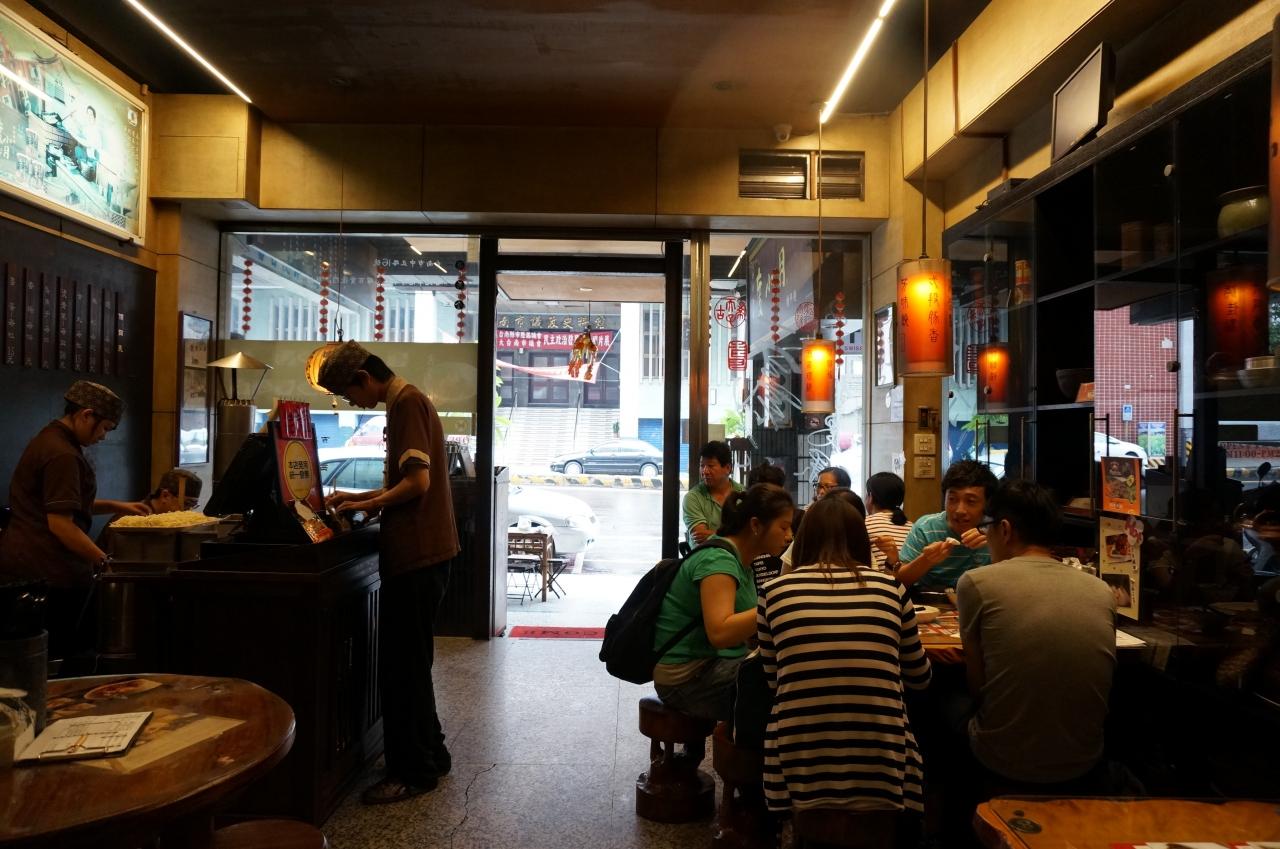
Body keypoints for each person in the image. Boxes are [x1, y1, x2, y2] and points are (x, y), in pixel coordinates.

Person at [319, 341, 460, 804]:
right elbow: (408, 482)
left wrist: (371, 501)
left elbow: (417, 482)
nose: (353, 403)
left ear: (364, 377)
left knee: (403, 669)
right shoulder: (407, 402)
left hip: (417, 555)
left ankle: (412, 772)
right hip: (425, 554)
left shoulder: (406, 403)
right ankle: (431, 753)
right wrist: (363, 499)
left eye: (349, 393)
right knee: (412, 664)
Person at [757, 497, 931, 834]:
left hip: (798, 763)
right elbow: (920, 677)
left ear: (803, 540)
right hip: (884, 766)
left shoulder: (773, 592)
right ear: (860, 540)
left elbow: (774, 681)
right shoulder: (892, 589)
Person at [956, 479, 1116, 787]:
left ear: (1004, 530)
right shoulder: (1101, 590)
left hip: (1002, 759)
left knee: (941, 703)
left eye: (986, 528)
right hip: (1085, 760)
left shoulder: (976, 583)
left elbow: (978, 685)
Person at [0, 381, 149, 665]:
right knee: (61, 659)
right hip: (46, 570)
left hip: (26, 565)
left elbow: (61, 503)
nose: (103, 437)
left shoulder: (50, 439)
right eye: (104, 428)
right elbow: (60, 524)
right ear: (86, 415)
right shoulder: (62, 454)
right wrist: (104, 561)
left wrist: (117, 506)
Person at [654, 483, 794, 721]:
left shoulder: (741, 559)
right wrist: (775, 604)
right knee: (780, 687)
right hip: (687, 677)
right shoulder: (719, 560)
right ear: (755, 525)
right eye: (783, 527)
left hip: (716, 663)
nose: (789, 536)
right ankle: (738, 743)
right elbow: (720, 633)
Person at [892, 460, 997, 589]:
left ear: (987, 504)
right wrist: (926, 559)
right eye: (952, 499)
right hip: (931, 600)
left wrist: (993, 542)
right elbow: (899, 582)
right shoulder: (926, 527)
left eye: (970, 501)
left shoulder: (996, 530)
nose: (959, 510)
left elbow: (1013, 576)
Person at [684, 440, 743, 545]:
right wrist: (737, 536)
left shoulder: (743, 494)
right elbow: (700, 536)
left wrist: (712, 534)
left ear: (728, 468)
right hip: (706, 554)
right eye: (702, 466)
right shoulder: (693, 497)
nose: (705, 471)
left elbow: (752, 535)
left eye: (710, 466)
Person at [865, 472, 913, 572]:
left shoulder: (865, 523)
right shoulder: (913, 527)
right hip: (909, 580)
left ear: (870, 497)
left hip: (878, 580)